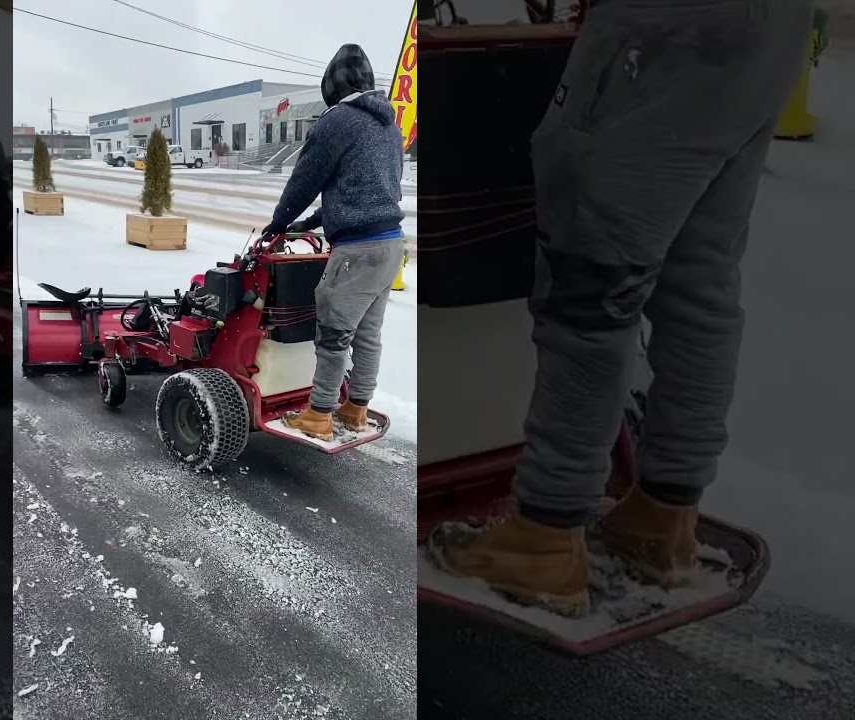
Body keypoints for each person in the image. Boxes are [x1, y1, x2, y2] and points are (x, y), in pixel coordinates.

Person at [429, 0, 814, 618]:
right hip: (767, 29)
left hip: (661, 31)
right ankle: (663, 518)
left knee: (592, 285)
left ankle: (544, 536)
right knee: (699, 278)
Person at [262, 43, 406, 443]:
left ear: (332, 86)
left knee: (333, 332)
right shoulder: (388, 125)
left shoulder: (338, 120)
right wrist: (313, 222)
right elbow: (371, 190)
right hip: (390, 246)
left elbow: (305, 180)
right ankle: (356, 408)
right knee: (367, 333)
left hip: (357, 251)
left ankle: (319, 413)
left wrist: (279, 222)